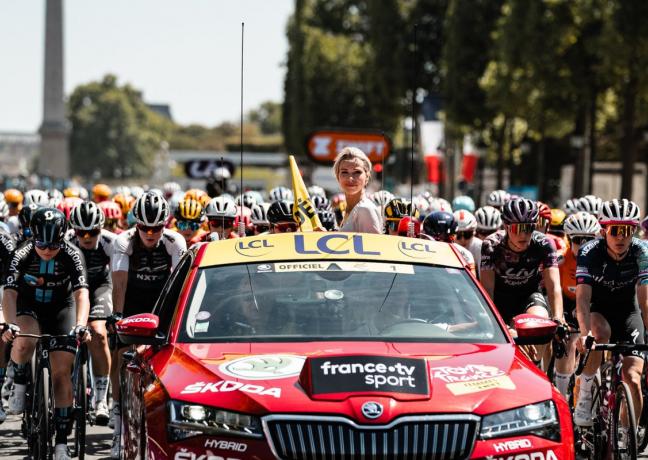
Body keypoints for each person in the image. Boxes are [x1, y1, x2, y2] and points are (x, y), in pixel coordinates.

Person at [2, 207, 91, 460]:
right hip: (28, 307)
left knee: (62, 372)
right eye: (42, 244)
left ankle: (62, 443)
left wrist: (82, 324)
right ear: (33, 237)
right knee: (22, 341)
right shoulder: (22, 253)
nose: (48, 251)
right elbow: (9, 293)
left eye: (54, 245)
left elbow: (81, 293)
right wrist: (10, 324)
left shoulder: (73, 254)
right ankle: (19, 381)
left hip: (62, 308)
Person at [107, 192, 186, 458]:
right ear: (135, 224)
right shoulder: (123, 241)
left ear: (166, 225)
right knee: (120, 356)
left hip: (161, 300)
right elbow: (119, 283)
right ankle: (118, 422)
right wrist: (118, 316)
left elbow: (180, 285)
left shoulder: (175, 241)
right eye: (144, 227)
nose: (150, 233)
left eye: (157, 228)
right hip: (131, 299)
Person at [574, 199, 648, 432]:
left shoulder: (642, 251)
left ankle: (628, 438)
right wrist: (584, 334)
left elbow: (645, 300)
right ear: (603, 229)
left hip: (628, 312)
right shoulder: (589, 252)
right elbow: (583, 299)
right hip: (598, 309)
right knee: (600, 334)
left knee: (633, 379)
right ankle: (585, 396)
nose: (621, 237)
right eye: (615, 230)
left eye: (627, 230)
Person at [480, 199, 562, 362]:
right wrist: (501, 327)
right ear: (506, 226)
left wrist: (559, 319)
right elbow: (487, 290)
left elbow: (554, 287)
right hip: (500, 299)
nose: (523, 235)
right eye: (517, 229)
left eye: (528, 228)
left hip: (529, 295)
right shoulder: (491, 245)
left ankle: (537, 369)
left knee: (541, 324)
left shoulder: (544, 244)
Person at [68, 201, 116, 425]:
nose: (87, 237)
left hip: (99, 287)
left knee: (98, 333)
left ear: (101, 228)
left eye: (93, 232)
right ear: (73, 230)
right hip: (70, 288)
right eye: (81, 232)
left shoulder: (110, 242)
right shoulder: (65, 240)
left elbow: (119, 277)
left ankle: (101, 398)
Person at [551, 211, 600, 398]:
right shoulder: (560, 260)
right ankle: (562, 396)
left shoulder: (600, 260)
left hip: (590, 304)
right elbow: (548, 288)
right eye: (578, 240)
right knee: (569, 342)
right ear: (569, 240)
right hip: (565, 302)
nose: (584, 245)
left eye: (589, 239)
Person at [334, 147, 382, 234]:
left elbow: (374, 246)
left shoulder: (365, 209)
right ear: (338, 177)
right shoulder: (348, 209)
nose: (350, 178)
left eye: (357, 172)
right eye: (344, 172)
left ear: (367, 176)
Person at [420, 211, 476, 276]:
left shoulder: (465, 254)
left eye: (446, 239)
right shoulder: (465, 254)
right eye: (436, 239)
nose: (441, 242)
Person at [453, 210, 482, 277]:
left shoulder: (479, 247)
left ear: (474, 232)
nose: (463, 240)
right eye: (458, 235)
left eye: (467, 234)